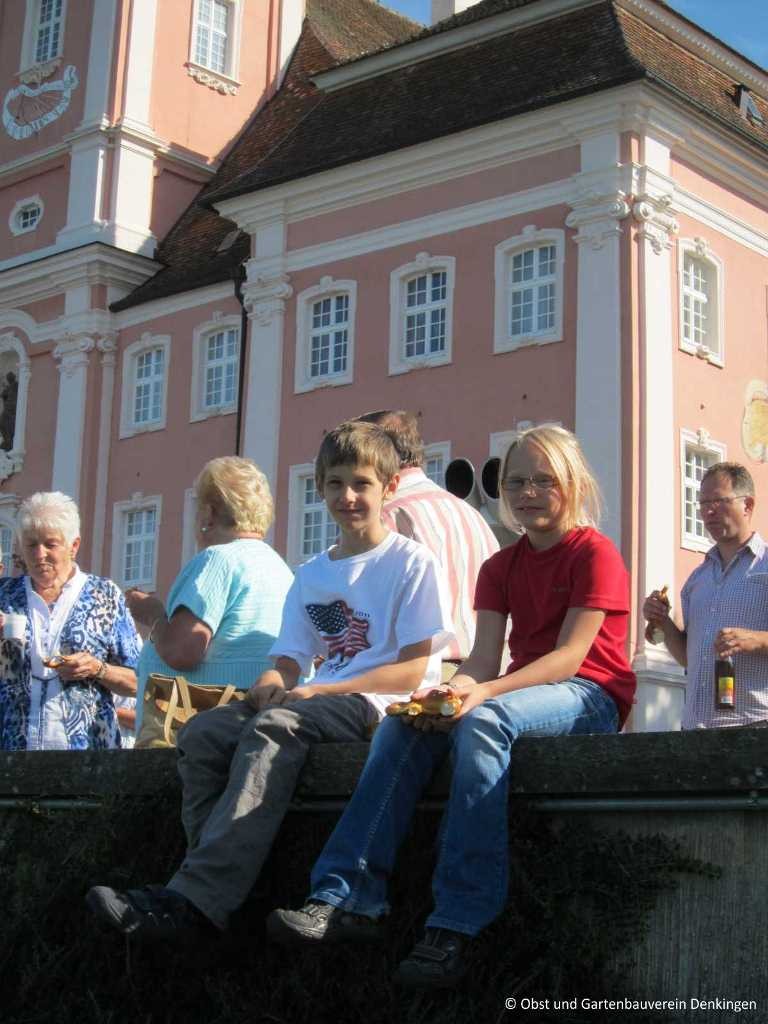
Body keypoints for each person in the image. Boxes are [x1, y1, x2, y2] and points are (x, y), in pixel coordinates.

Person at [267, 425, 636, 990]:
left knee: (484, 723)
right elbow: (483, 659)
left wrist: (480, 695)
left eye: (543, 481)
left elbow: (569, 660)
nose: (528, 492)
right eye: (515, 482)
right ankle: (345, 897)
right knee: (403, 727)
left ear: (574, 484)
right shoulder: (500, 567)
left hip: (591, 695)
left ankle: (457, 921)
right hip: (522, 689)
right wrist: (445, 694)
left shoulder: (595, 552)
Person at [86, 422, 453, 941]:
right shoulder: (310, 574)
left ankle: (195, 903)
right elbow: (288, 658)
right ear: (320, 486)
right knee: (204, 734)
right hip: (317, 700)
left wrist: (316, 689)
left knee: (277, 724)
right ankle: (212, 892)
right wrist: (269, 681)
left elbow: (414, 670)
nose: (347, 497)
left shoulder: (410, 562)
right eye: (334, 484)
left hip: (379, 703)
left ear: (389, 489)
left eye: (362, 484)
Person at [126, 456, 294, 741]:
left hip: (194, 732)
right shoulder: (279, 567)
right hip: (252, 723)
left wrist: (154, 615)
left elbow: (183, 651)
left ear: (208, 514)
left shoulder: (217, 560)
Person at [357, 410, 499, 672]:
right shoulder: (470, 513)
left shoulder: (383, 515)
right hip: (483, 674)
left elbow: (364, 621)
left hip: (414, 675)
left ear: (372, 453)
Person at [0, 492, 140, 750]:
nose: (40, 554)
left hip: (89, 758)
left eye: (50, 544)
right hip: (11, 756)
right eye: (31, 545)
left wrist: (99, 669)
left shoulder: (104, 596)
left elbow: (140, 683)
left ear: (73, 546)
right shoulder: (4, 596)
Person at [643, 462, 768, 729]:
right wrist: (663, 620)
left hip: (756, 725)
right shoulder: (696, 580)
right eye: (702, 503)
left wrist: (757, 640)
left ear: (748, 505)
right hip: (696, 728)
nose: (708, 511)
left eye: (719, 501)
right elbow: (688, 658)